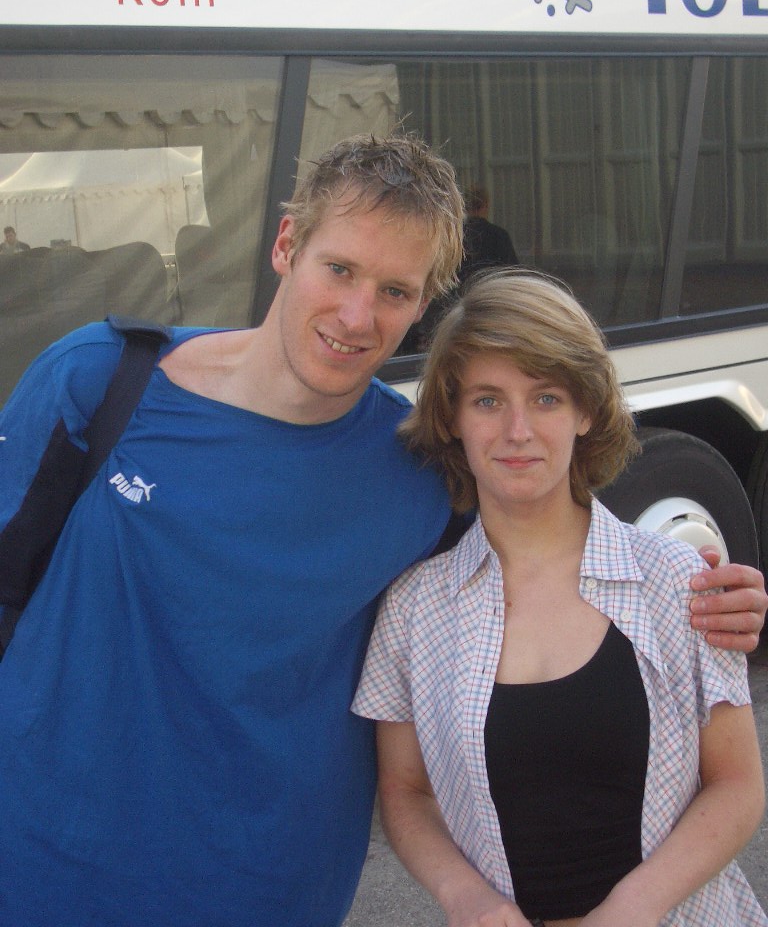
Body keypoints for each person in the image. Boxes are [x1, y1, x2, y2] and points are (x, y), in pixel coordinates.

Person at [0, 136, 764, 927]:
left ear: (422, 303)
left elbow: (542, 556)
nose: (357, 316)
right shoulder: (100, 382)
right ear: (287, 245)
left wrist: (710, 593)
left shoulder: (418, 474)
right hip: (45, 869)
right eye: (339, 269)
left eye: (395, 290)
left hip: (270, 890)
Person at [353, 269, 767, 927]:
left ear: (585, 411)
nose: (517, 430)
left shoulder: (677, 581)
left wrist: (636, 905)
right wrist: (467, 898)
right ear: (453, 418)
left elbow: (738, 785)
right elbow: (406, 793)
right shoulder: (413, 610)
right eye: (488, 400)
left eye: (546, 398)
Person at [460, 184, 518, 280]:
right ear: (485, 205)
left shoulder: (456, 237)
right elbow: (511, 273)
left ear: (464, 206)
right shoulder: (499, 235)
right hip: (492, 287)